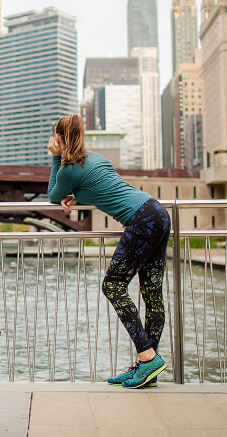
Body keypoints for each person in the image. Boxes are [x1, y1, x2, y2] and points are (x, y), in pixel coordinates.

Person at [46, 114, 170, 388]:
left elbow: (53, 195)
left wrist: (55, 158)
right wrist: (80, 196)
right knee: (152, 292)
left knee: (112, 285)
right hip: (156, 211)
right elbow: (106, 186)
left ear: (60, 138)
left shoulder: (68, 169)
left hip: (141, 220)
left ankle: (147, 358)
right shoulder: (97, 159)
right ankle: (147, 368)